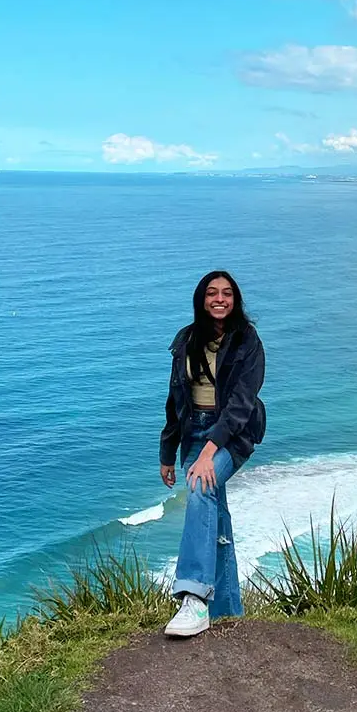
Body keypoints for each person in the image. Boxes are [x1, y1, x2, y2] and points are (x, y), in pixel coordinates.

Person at [159, 270, 266, 637]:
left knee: (201, 486)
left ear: (235, 300)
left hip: (232, 436)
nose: (219, 299)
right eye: (211, 293)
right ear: (201, 299)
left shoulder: (247, 341)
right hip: (193, 432)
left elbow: (241, 404)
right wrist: (168, 451)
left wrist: (209, 451)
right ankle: (229, 609)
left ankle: (193, 597)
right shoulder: (187, 340)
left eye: (226, 293)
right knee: (216, 518)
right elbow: (176, 399)